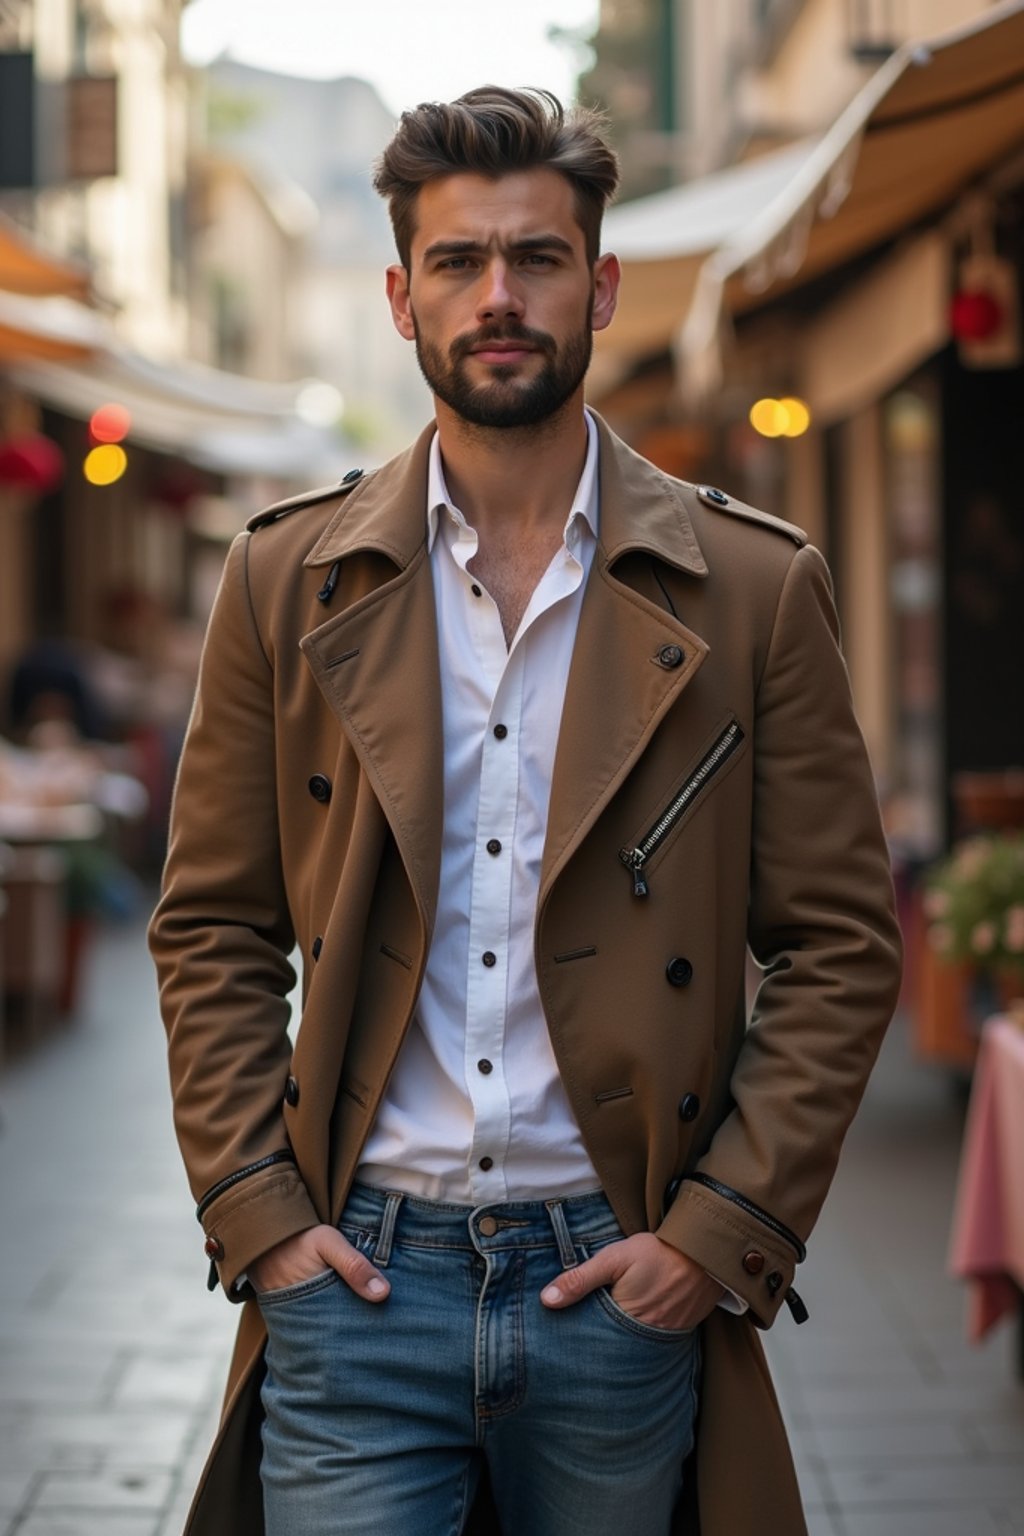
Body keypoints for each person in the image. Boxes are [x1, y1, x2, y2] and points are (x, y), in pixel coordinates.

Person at [149, 86, 902, 1536]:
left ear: (600, 285)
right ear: (399, 294)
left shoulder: (755, 589)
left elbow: (841, 943)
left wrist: (716, 1235)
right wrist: (263, 1219)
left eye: (538, 259)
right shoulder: (284, 582)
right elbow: (214, 926)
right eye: (458, 261)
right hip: (358, 1281)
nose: (499, 297)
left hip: (617, 1279)